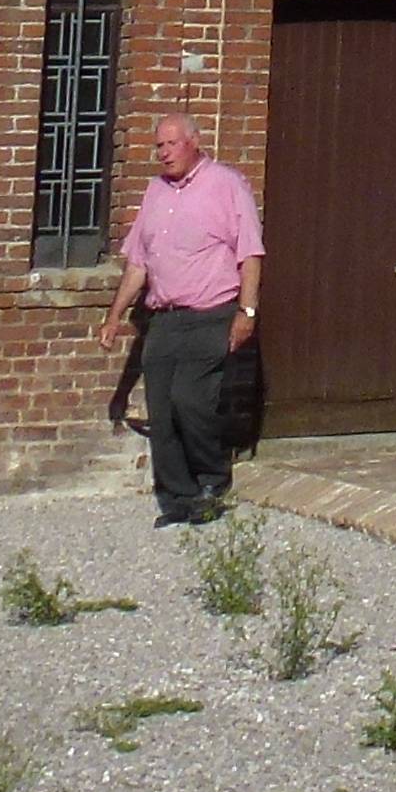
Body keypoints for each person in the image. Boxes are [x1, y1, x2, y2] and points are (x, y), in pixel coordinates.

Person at [97, 110, 263, 527]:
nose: (164, 153)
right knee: (162, 410)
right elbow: (139, 262)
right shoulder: (155, 192)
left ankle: (212, 480)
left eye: (172, 143)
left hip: (211, 313)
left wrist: (247, 311)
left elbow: (250, 254)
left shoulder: (226, 185)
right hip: (164, 318)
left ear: (194, 142)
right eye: (159, 145)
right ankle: (177, 497)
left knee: (191, 401)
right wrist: (115, 316)